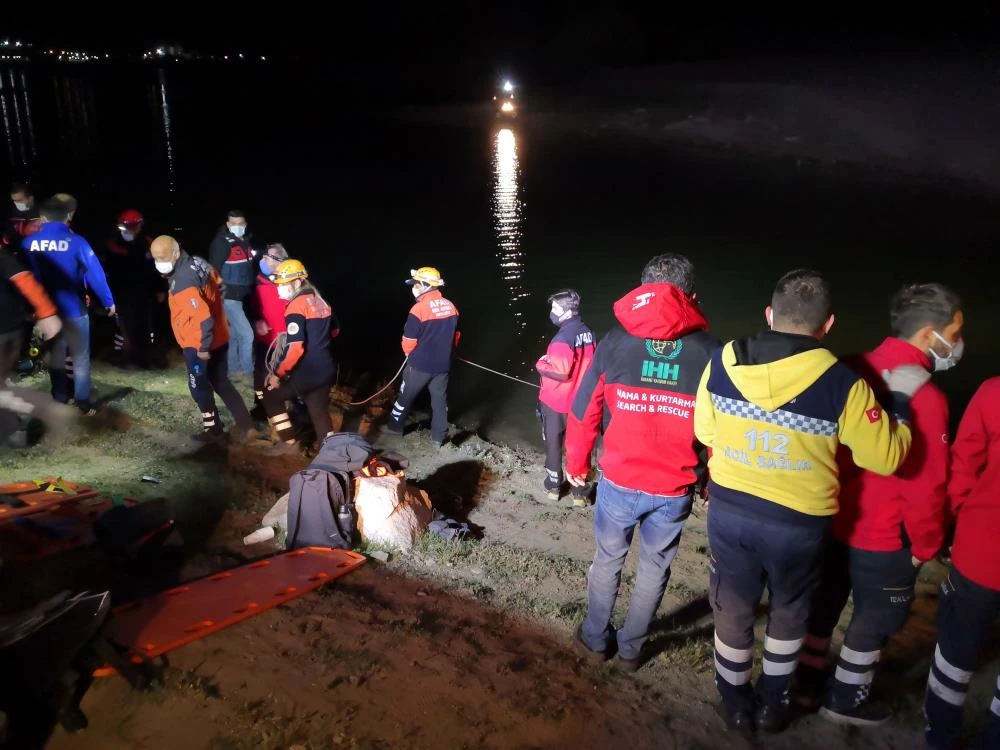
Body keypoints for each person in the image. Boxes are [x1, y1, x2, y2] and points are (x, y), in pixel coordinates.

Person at [693, 269, 926, 737]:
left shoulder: (724, 360)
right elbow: (885, 457)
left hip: (731, 511)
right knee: (789, 612)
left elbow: (705, 432)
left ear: (769, 314)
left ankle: (735, 702)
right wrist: (900, 407)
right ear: (829, 324)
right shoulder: (845, 384)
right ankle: (772, 704)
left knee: (733, 607)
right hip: (799, 525)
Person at [796, 283, 963, 725]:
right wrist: (927, 544)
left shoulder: (846, 367)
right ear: (930, 335)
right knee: (874, 621)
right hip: (886, 537)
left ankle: (805, 686)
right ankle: (846, 699)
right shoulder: (927, 398)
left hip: (829, 520)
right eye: (956, 332)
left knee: (823, 607)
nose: (960, 344)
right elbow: (927, 485)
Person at [564, 254, 717, 670]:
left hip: (619, 480)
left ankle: (596, 640)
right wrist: (713, 482)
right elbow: (719, 427)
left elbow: (583, 410)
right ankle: (631, 650)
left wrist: (576, 464)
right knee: (654, 568)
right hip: (674, 487)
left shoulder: (614, 341)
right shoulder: (710, 352)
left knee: (608, 560)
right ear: (692, 297)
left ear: (642, 291)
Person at [923, 377, 1000, 750]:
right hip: (983, 548)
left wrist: (948, 524)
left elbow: (965, 467)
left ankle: (940, 736)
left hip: (984, 550)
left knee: (957, 647)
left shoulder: (993, 392)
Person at [150, 235, 254, 442]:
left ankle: (213, 430)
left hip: (199, 343)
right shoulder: (197, 262)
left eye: (163, 257)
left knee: (197, 387)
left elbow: (203, 317)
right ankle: (247, 426)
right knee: (221, 381)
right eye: (156, 258)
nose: (159, 263)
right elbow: (220, 283)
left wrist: (203, 347)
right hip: (220, 335)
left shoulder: (183, 282)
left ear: (176, 253)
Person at [23, 198, 114, 415]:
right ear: (67, 217)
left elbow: (24, 279)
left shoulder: (28, 244)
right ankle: (82, 402)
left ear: (42, 218)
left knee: (56, 357)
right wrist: (108, 301)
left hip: (47, 314)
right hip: (74, 310)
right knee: (80, 358)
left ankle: (60, 398)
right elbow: (95, 274)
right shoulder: (77, 242)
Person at [261, 259, 339, 452]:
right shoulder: (320, 300)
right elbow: (335, 331)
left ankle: (288, 443)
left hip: (309, 371)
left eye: (282, 284)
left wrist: (277, 374)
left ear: (296, 282)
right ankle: (328, 455)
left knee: (270, 396)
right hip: (326, 368)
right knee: (319, 412)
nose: (279, 289)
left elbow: (295, 348)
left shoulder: (296, 307)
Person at [384, 267, 459, 446]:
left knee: (405, 397)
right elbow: (456, 336)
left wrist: (410, 356)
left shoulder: (418, 309)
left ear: (426, 285)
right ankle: (438, 438)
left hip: (419, 366)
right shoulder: (451, 306)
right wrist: (450, 352)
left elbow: (409, 340)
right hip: (443, 366)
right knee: (439, 402)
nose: (414, 287)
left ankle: (394, 430)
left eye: (417, 284)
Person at [535, 289, 596, 506]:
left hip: (556, 403)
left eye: (555, 309)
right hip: (580, 403)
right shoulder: (588, 333)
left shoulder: (562, 338)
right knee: (578, 446)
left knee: (553, 443)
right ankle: (579, 492)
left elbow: (561, 372)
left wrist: (541, 364)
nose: (552, 312)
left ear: (567, 312)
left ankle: (554, 487)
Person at [0, 247, 63, 442]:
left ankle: (15, 429)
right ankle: (12, 429)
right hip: (11, 330)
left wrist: (47, 313)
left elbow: (24, 279)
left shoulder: (3, 257)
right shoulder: (4, 256)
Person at [104, 209, 161, 367]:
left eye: (135, 226)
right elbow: (110, 269)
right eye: (128, 226)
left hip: (144, 292)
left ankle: (145, 357)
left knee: (144, 325)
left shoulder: (147, 242)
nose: (132, 229)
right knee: (124, 326)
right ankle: (125, 357)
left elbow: (155, 269)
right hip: (121, 292)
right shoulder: (113, 244)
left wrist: (159, 289)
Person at [208, 209, 257, 382]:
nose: (238, 227)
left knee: (235, 335)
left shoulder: (244, 241)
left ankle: (234, 370)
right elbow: (213, 270)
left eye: (240, 224)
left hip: (240, 297)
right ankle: (249, 372)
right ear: (228, 224)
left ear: (245, 224)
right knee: (247, 335)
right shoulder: (221, 243)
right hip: (228, 297)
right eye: (234, 224)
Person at [247, 243, 290, 418]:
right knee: (259, 378)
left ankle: (287, 412)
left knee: (280, 379)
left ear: (281, 260)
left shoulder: (291, 279)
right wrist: (257, 319)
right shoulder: (256, 281)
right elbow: (250, 305)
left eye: (268, 258)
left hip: (286, 341)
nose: (263, 261)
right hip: (265, 340)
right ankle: (261, 408)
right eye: (263, 257)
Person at [3, 182, 40, 261]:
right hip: (19, 258)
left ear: (30, 198)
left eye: (19, 200)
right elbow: (6, 239)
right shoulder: (10, 214)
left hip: (39, 256)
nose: (16, 203)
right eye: (14, 201)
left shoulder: (42, 213)